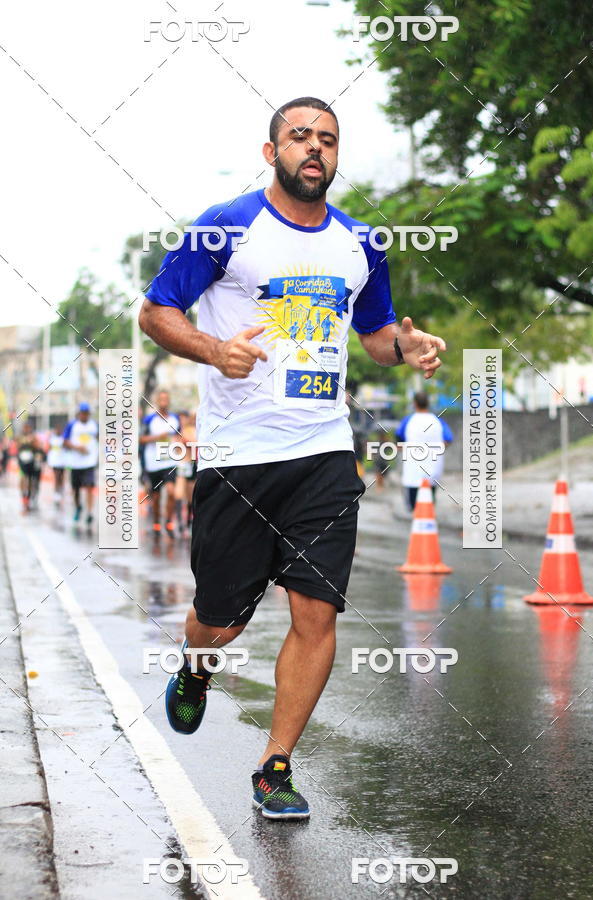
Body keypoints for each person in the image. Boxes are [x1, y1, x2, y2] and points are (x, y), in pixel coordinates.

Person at [139, 96, 446, 820]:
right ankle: (195, 665)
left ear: (338, 157)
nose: (315, 149)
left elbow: (374, 335)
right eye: (301, 137)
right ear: (271, 149)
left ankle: (274, 766)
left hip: (321, 452)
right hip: (235, 456)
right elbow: (156, 311)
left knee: (316, 610)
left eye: (328, 140)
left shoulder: (361, 244)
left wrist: (408, 348)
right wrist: (217, 350)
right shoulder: (226, 228)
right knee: (221, 618)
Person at [395, 391, 454, 510]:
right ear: (428, 403)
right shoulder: (438, 421)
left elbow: (398, 439)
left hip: (413, 470)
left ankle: (418, 523)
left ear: (415, 403)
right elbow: (448, 439)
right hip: (433, 469)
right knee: (428, 502)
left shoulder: (408, 420)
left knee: (414, 506)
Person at [140, 390, 180, 536]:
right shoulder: (149, 420)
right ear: (157, 401)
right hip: (153, 463)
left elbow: (178, 436)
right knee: (155, 498)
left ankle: (168, 522)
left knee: (171, 492)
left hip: (170, 462)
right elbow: (141, 439)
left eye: (166, 398)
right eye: (161, 398)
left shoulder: (175, 418)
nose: (164, 401)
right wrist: (158, 437)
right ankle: (156, 523)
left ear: (169, 401)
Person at [63, 402, 99, 525]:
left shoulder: (94, 425)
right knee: (76, 489)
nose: (84, 416)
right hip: (75, 463)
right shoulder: (72, 425)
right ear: (79, 413)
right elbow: (65, 442)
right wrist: (77, 448)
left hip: (90, 462)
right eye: (82, 413)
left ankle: (89, 513)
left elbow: (101, 438)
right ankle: (78, 507)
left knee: (90, 486)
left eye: (86, 413)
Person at [174, 411, 198, 537]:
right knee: (179, 493)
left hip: (192, 464)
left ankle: (189, 522)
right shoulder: (178, 431)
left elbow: (194, 443)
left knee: (190, 495)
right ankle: (180, 524)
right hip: (182, 464)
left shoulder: (194, 429)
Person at [16, 423, 38, 512]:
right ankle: (23, 497)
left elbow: (37, 447)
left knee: (29, 479)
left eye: (27, 428)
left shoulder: (33, 437)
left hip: (31, 462)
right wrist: (23, 442)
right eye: (25, 428)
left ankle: (28, 497)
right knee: (22, 478)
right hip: (21, 461)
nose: (26, 429)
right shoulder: (19, 437)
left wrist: (31, 442)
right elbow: (17, 447)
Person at [47, 423, 66, 506]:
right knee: (56, 476)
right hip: (55, 461)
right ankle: (56, 492)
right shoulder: (52, 438)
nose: (58, 431)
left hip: (62, 461)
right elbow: (49, 448)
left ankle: (60, 490)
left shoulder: (63, 438)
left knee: (61, 477)